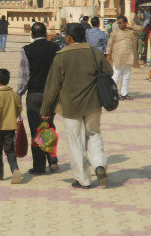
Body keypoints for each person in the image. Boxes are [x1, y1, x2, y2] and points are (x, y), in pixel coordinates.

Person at [41, 23, 113, 189]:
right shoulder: (94, 52)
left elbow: (52, 86)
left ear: (69, 38)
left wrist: (45, 109)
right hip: (93, 103)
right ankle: (99, 164)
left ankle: (83, 179)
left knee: (76, 141)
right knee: (94, 134)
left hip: (70, 105)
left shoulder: (61, 56)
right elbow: (109, 72)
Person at [17, 22, 60, 175]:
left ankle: (39, 166)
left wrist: (19, 94)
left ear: (32, 35)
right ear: (45, 32)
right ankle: (53, 160)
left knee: (37, 130)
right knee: (49, 126)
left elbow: (24, 76)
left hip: (34, 95)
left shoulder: (27, 50)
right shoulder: (55, 48)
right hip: (51, 94)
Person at [0, 68, 22, 184]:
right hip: (10, 127)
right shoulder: (12, 93)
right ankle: (15, 170)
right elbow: (19, 107)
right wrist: (13, 117)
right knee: (10, 151)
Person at [106, 15, 141, 101]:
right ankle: (113, 94)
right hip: (118, 57)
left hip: (128, 57)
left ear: (125, 23)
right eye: (118, 23)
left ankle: (124, 94)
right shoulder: (115, 32)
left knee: (126, 76)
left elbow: (140, 29)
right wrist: (108, 54)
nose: (119, 24)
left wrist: (129, 26)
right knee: (116, 76)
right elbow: (109, 44)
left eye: (121, 23)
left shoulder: (131, 31)